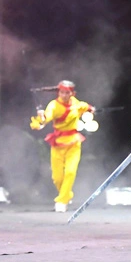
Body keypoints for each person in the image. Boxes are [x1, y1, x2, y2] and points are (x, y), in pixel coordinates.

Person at [30, 80, 95, 213]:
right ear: (58, 92)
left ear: (72, 93)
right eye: (62, 92)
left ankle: (61, 201)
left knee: (70, 172)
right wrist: (41, 118)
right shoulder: (54, 105)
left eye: (67, 93)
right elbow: (47, 117)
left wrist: (91, 109)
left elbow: (85, 106)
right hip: (58, 143)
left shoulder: (76, 103)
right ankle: (67, 195)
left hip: (73, 143)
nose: (64, 95)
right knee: (57, 177)